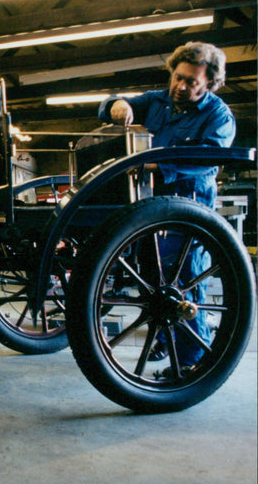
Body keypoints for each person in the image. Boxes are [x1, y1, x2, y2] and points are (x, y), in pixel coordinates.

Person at [99, 41, 236, 368]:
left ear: (210, 84)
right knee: (154, 281)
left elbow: (206, 158)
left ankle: (191, 363)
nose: (180, 86)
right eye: (178, 77)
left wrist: (155, 165)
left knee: (183, 285)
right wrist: (116, 105)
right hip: (153, 208)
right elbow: (108, 104)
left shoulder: (219, 116)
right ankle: (162, 338)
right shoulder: (159, 100)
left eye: (192, 82)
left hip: (189, 210)